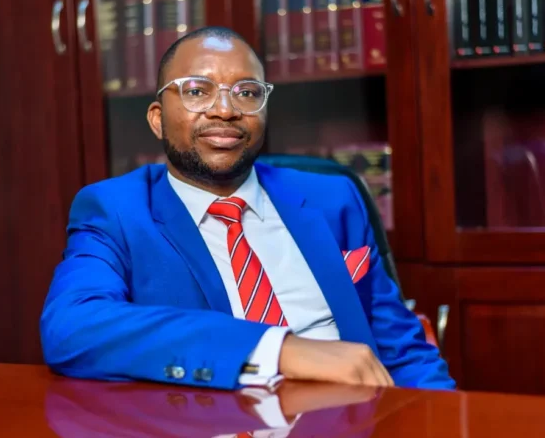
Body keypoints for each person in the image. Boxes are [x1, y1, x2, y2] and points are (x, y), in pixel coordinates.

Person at [40, 26, 455, 391]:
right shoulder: (116, 210)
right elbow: (71, 327)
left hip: (355, 417)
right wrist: (276, 349)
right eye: (197, 91)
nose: (225, 110)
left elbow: (404, 352)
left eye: (247, 92)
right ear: (157, 119)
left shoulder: (333, 198)